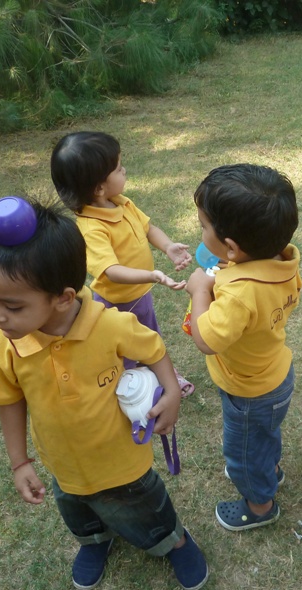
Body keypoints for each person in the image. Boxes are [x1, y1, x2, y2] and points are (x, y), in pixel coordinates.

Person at [0, 198, 208, 590]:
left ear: (64, 297)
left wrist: (172, 391)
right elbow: (8, 400)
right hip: (63, 463)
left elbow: (153, 349)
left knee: (147, 507)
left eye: (11, 305)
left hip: (122, 461)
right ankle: (94, 540)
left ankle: (174, 541)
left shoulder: (110, 326)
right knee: (76, 507)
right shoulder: (3, 345)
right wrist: (19, 462)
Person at [185, 164, 301, 531]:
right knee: (265, 434)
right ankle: (269, 467)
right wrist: (230, 267)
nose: (201, 232)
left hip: (248, 390)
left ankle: (259, 504)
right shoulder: (283, 260)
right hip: (275, 374)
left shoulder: (237, 295)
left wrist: (199, 290)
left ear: (233, 248)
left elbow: (206, 339)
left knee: (243, 454)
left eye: (203, 226)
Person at [50, 131, 194, 396]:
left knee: (149, 335)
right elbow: (112, 271)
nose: (124, 170)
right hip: (116, 304)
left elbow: (148, 228)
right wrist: (152, 275)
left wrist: (168, 247)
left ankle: (162, 373)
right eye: (118, 168)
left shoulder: (122, 203)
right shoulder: (91, 228)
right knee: (122, 347)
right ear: (99, 188)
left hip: (140, 295)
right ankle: (131, 389)